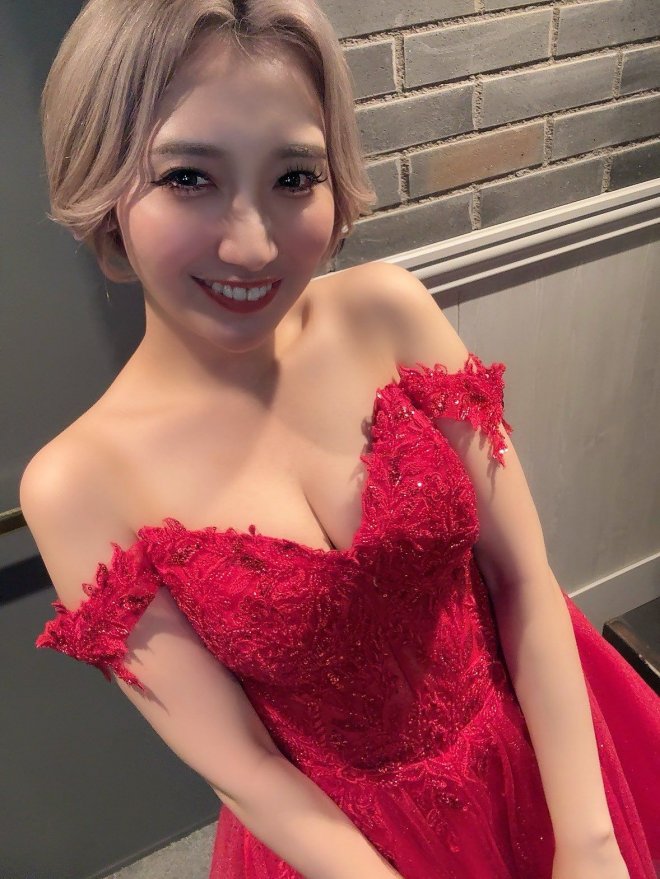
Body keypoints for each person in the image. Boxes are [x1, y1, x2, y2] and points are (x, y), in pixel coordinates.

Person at [22, 1, 659, 878]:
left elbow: (522, 576)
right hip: (345, 848)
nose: (253, 245)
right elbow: (248, 769)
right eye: (188, 177)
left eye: (294, 178)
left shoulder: (386, 311)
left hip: (540, 744)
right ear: (103, 184)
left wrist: (588, 839)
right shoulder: (78, 484)